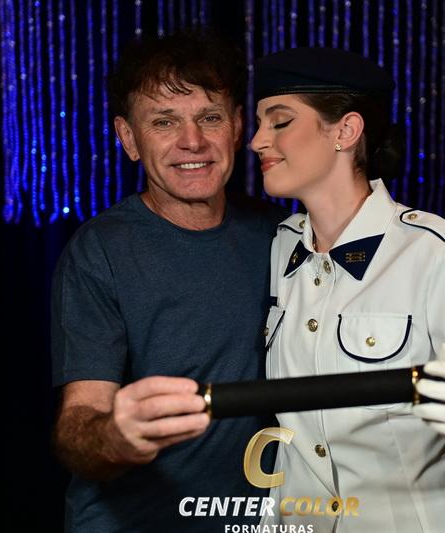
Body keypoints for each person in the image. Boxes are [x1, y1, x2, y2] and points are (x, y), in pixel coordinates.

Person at [250, 47, 445, 532]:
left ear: (346, 131)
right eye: (260, 123)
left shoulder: (433, 251)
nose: (258, 140)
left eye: (280, 122)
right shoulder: (278, 249)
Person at [51, 29, 285, 532]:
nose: (192, 141)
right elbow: (79, 419)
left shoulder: (281, 236)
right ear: (128, 138)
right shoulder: (99, 251)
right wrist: (117, 436)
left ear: (237, 127)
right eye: (164, 121)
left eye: (210, 117)